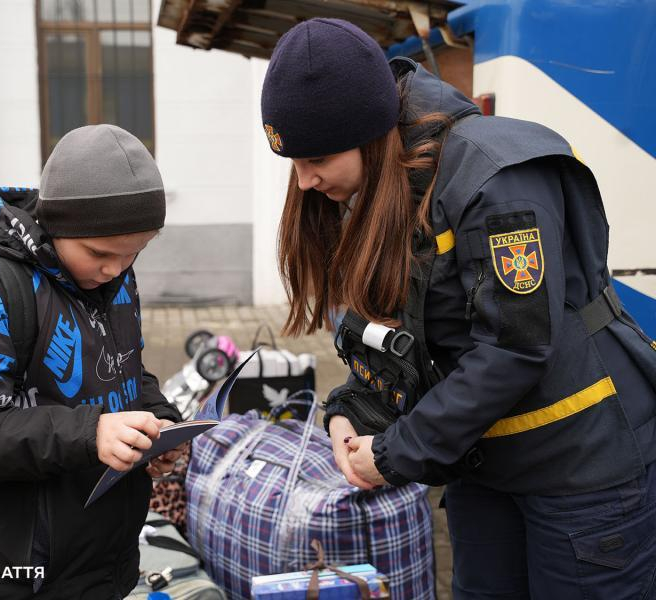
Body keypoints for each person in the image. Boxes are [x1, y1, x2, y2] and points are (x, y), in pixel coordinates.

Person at [260, 18, 656, 599]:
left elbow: (513, 348)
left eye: (316, 157)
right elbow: (392, 334)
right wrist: (351, 412)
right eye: (291, 160)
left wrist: (395, 453)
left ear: (369, 132)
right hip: (485, 463)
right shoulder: (381, 184)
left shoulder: (498, 181)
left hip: (583, 471)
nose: (305, 179)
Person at [0, 124, 184, 599]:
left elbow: (125, 370)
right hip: (16, 569)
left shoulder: (117, 280)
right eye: (99, 253)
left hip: (105, 560)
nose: (116, 270)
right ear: (57, 226)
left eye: (135, 253)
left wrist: (161, 423)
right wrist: (91, 433)